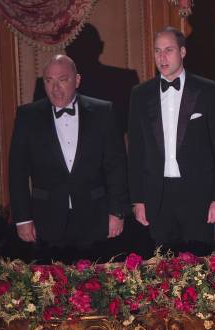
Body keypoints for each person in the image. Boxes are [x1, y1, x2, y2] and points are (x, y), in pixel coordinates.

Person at [9, 54, 128, 261]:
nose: (55, 89)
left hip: (95, 219)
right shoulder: (27, 116)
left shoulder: (103, 112)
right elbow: (17, 172)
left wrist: (117, 212)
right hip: (46, 222)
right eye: (49, 81)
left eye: (62, 80)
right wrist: (22, 219)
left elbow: (116, 167)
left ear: (77, 80)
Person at [128, 27, 215, 255]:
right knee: (161, 269)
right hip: (157, 194)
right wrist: (137, 200)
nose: (162, 57)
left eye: (168, 50)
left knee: (200, 266)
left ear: (182, 52)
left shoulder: (208, 90)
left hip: (198, 195)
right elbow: (135, 152)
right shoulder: (140, 94)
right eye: (157, 51)